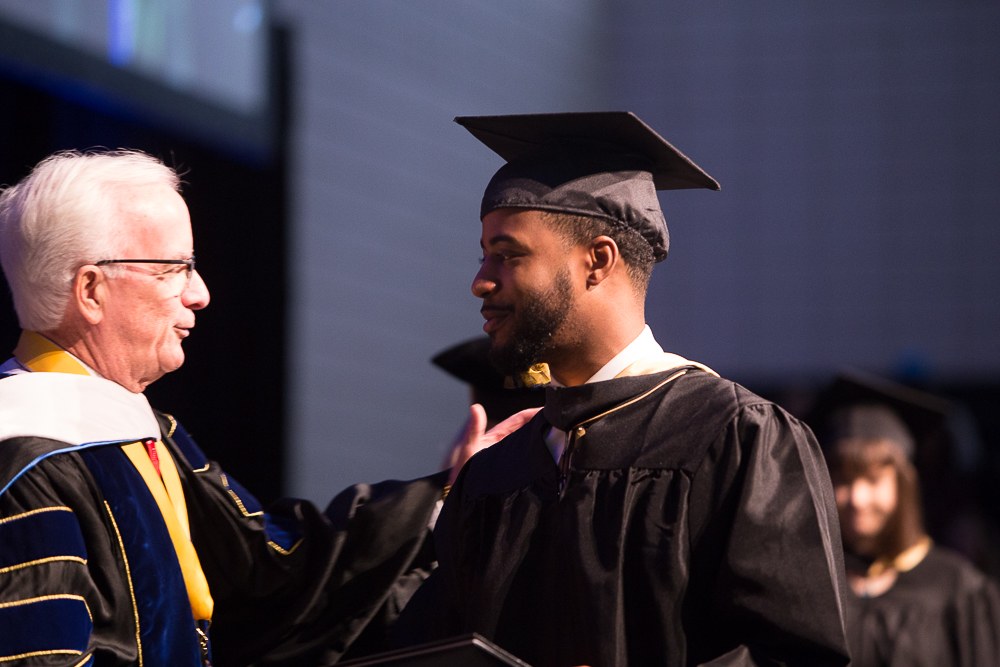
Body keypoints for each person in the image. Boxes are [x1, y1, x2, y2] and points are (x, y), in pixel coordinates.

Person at [0, 148, 532, 666]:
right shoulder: (24, 457)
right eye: (173, 269)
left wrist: (444, 492)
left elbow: (273, 572)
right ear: (91, 290)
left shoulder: (143, 430)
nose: (200, 293)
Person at [396, 111, 851, 666]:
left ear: (598, 260)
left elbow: (795, 656)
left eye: (509, 255)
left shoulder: (734, 438)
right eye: (484, 254)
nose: (481, 281)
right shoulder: (496, 474)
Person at [814, 371, 1000, 667]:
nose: (858, 499)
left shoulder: (960, 591)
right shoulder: (811, 585)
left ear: (903, 485)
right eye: (843, 481)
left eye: (873, 480)